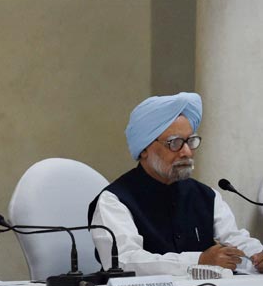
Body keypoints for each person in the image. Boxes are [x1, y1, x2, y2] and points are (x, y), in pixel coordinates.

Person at [88, 92, 263, 276]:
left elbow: (233, 239)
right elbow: (123, 261)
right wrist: (199, 261)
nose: (186, 152)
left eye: (190, 141)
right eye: (175, 143)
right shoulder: (114, 201)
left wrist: (256, 254)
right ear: (145, 149)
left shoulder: (206, 196)